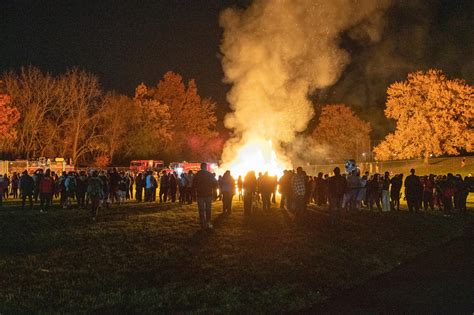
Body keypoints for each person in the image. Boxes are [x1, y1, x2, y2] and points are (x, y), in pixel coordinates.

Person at [193, 163, 218, 229]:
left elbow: (194, 184)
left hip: (200, 194)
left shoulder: (197, 175)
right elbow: (216, 183)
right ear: (206, 167)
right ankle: (208, 222)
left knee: (201, 210)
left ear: (201, 167)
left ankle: (203, 223)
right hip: (208, 194)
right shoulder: (210, 174)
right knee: (208, 209)